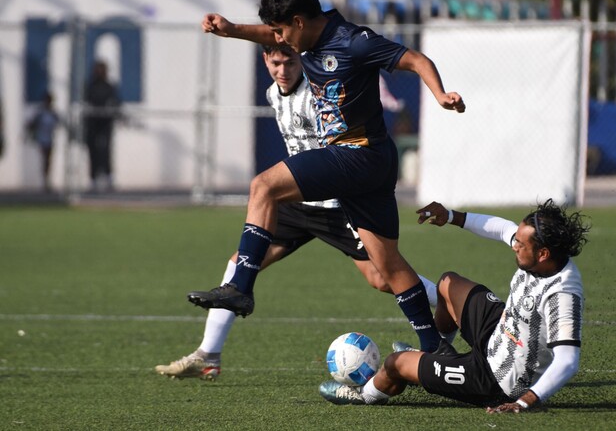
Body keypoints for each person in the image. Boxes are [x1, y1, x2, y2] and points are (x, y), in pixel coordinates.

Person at [187, 0, 465, 353]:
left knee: (263, 186)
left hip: (356, 154)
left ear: (299, 22)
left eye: (282, 30)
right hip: (373, 161)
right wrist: (232, 30)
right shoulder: (305, 37)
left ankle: (241, 288)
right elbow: (270, 37)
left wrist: (440, 94)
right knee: (387, 267)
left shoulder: (353, 41)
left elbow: (414, 59)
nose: (279, 39)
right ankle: (435, 348)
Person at [156, 44, 438, 380]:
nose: (282, 70)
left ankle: (451, 301)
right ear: (266, 62)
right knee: (240, 263)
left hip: (336, 206)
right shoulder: (273, 93)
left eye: (289, 62)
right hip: (297, 204)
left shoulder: (319, 94)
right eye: (275, 63)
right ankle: (208, 354)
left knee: (382, 277)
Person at [319, 199, 590, 413]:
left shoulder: (562, 294)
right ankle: (438, 350)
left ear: (543, 254)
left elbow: (568, 361)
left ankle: (364, 395)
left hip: (496, 380)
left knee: (395, 364)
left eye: (520, 243)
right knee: (448, 283)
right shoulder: (541, 254)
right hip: (500, 332)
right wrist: (450, 216)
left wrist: (524, 401)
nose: (513, 245)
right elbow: (503, 228)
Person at [83, 60, 120, 192]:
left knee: (105, 151)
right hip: (92, 123)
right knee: (93, 151)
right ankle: (93, 179)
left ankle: (108, 177)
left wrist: (111, 109)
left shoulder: (109, 87)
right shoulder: (90, 86)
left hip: (105, 123)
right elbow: (85, 101)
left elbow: (116, 102)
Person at [25, 91, 62, 192]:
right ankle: (45, 180)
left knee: (48, 160)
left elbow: (59, 122)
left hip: (49, 139)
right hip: (42, 139)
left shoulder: (52, 113)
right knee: (44, 159)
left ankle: (47, 179)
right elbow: (31, 124)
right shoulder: (41, 113)